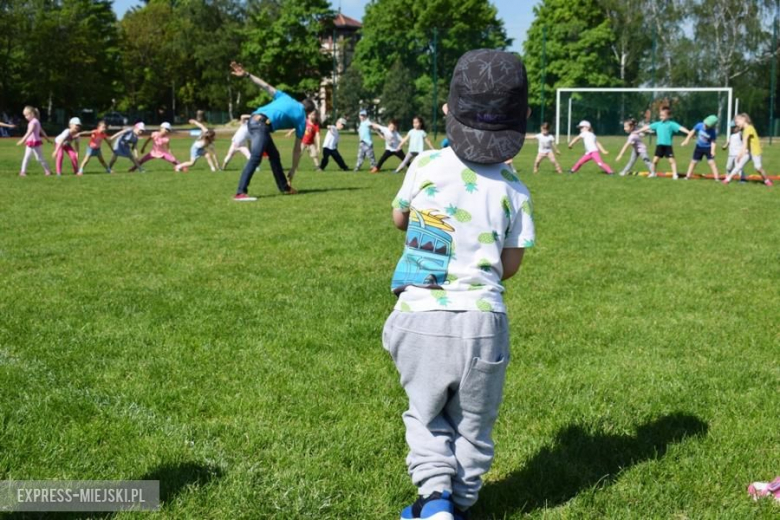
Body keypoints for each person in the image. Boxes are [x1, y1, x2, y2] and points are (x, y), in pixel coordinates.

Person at [384, 49, 535, 520]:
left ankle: (435, 500)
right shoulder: (515, 189)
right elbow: (510, 265)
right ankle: (463, 503)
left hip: (418, 318)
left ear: (448, 110)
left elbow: (399, 219)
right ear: (522, 118)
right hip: (483, 323)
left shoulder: (425, 165)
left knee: (426, 415)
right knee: (474, 424)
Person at [229, 61, 311, 201]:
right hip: (261, 124)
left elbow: (265, 85)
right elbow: (297, 149)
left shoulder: (285, 97)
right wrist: (293, 169)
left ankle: (284, 187)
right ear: (308, 112)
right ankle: (240, 192)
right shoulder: (302, 118)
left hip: (253, 120)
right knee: (256, 157)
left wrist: (247, 75)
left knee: (274, 155)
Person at [636, 107, 690, 180]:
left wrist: (689, 133)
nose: (661, 117)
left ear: (668, 116)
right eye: (660, 115)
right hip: (659, 146)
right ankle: (653, 173)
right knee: (655, 161)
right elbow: (647, 127)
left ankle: (675, 174)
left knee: (672, 161)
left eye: (663, 115)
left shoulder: (672, 124)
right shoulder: (658, 124)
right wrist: (637, 131)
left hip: (668, 146)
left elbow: (681, 128)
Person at [723, 113, 772, 187]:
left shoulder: (749, 128)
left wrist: (740, 154)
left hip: (755, 151)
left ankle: (766, 180)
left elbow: (745, 143)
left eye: (737, 122)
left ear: (743, 120)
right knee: (738, 166)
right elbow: (745, 144)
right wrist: (743, 153)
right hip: (749, 151)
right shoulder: (745, 130)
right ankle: (727, 179)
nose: (737, 125)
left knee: (758, 167)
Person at [17, 106, 52, 177]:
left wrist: (22, 140)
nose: (25, 117)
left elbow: (29, 132)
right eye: (25, 115)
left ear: (32, 114)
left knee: (39, 158)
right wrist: (47, 139)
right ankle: (23, 171)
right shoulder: (36, 121)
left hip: (34, 142)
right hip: (31, 142)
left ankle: (48, 170)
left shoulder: (33, 122)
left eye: (27, 115)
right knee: (27, 157)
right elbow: (42, 131)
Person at [681, 115, 719, 181]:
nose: (705, 126)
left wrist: (713, 150)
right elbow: (692, 132)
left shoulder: (712, 132)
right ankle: (687, 176)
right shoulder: (699, 125)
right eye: (705, 124)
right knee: (693, 162)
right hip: (699, 147)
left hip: (708, 148)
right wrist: (686, 140)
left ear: (712, 126)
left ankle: (717, 178)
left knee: (711, 163)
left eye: (707, 126)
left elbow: (713, 141)